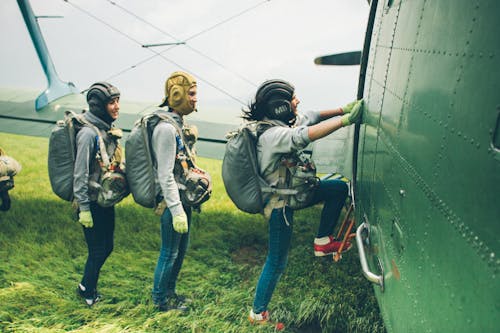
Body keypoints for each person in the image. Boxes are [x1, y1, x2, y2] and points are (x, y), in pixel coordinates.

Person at [243, 79, 363, 328]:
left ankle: (323, 242)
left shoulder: (280, 124)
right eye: (293, 99)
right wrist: (345, 121)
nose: (297, 102)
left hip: (294, 194)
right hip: (280, 205)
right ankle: (257, 314)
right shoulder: (273, 135)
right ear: (280, 107)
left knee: (337, 188)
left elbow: (311, 116)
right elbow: (301, 136)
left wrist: (343, 109)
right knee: (276, 261)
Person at [151, 71, 198, 312]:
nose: (195, 99)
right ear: (176, 94)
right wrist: (176, 210)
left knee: (179, 252)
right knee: (169, 253)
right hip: (172, 203)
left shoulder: (178, 125)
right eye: (191, 94)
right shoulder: (166, 129)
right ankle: (160, 300)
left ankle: (170, 293)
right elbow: (165, 174)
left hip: (182, 200)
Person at [74, 82, 123, 306]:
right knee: (97, 249)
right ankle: (86, 290)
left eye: (117, 101)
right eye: (112, 102)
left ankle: (88, 286)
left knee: (107, 247)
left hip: (104, 201)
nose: (116, 107)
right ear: (98, 106)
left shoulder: (104, 130)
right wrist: (83, 208)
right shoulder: (87, 134)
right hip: (91, 203)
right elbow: (80, 174)